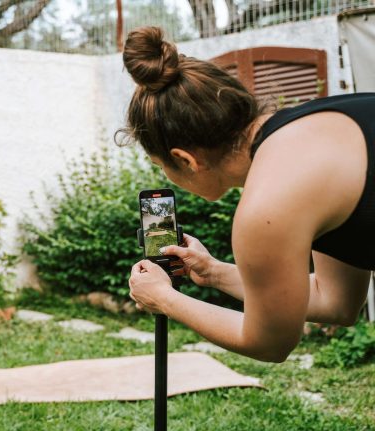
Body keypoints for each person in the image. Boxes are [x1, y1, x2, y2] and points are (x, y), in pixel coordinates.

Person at [123, 26, 375, 363]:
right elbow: (336, 302)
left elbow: (270, 344)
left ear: (185, 160)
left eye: (161, 165)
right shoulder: (313, 127)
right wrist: (213, 272)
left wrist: (164, 299)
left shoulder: (265, 208)